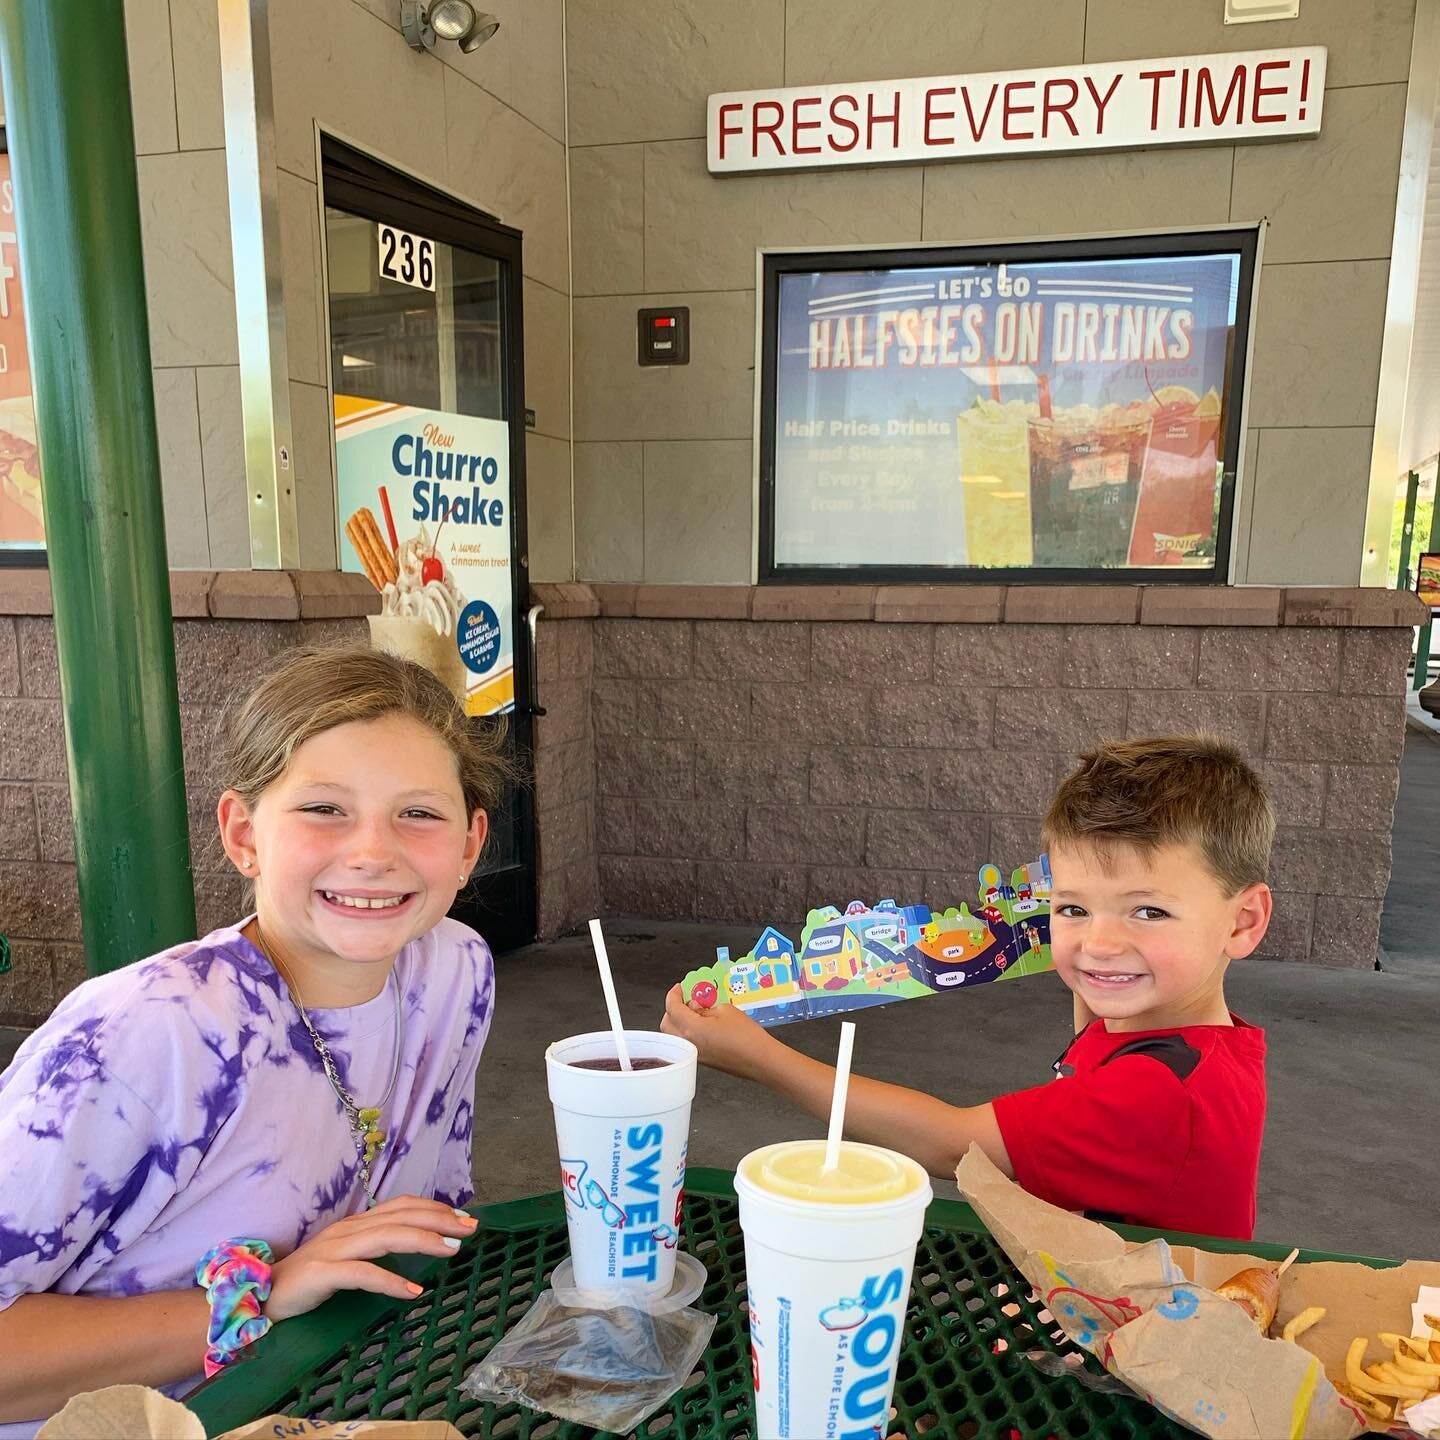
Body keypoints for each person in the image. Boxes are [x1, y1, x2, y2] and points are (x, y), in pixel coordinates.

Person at [0, 646, 509, 1435]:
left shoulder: (455, 972)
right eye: (324, 809)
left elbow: (424, 1224)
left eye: (419, 812)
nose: (374, 851)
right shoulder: (143, 1034)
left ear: (470, 844)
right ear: (244, 835)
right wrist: (258, 1295)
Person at [663, 734, 1274, 1241]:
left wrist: (759, 1057)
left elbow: (955, 1148)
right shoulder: (1182, 1041)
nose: (1101, 944)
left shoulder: (1159, 1095)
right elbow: (1097, 1026)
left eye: (1148, 912)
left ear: (1242, 922)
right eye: (1072, 908)